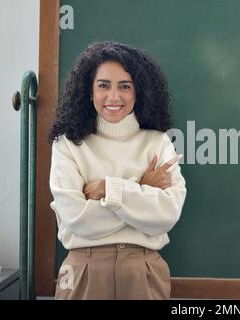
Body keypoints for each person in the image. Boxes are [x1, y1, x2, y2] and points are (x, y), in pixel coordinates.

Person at [48, 41, 187, 300]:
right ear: (89, 91)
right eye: (103, 85)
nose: (114, 97)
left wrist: (107, 190)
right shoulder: (68, 144)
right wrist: (143, 190)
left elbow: (167, 214)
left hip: (143, 275)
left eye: (125, 86)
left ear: (138, 92)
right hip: (83, 274)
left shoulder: (157, 142)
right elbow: (78, 220)